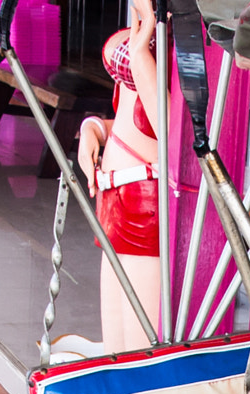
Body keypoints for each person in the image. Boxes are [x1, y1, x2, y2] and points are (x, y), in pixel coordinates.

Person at [74, 0, 164, 349]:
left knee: (139, 350)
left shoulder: (186, 32)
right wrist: (94, 129)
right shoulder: (147, 20)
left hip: (147, 205)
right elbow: (128, 120)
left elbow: (175, 137)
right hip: (115, 202)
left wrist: (140, 55)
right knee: (115, 348)